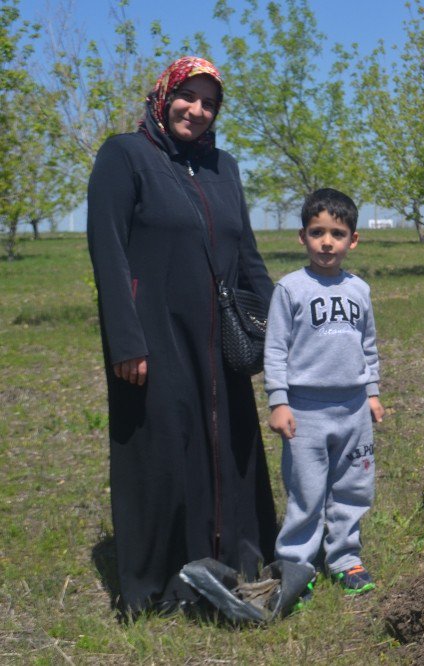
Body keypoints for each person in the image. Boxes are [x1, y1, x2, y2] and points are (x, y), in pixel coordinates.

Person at [87, 56, 278, 616]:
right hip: (154, 337)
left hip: (220, 338)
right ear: (163, 94)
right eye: (187, 96)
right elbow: (108, 249)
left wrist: (279, 326)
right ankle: (159, 585)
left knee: (229, 445)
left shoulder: (224, 167)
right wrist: (125, 340)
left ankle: (238, 559)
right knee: (165, 450)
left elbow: (247, 255)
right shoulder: (124, 156)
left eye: (209, 102)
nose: (196, 109)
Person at [264, 188, 384, 595]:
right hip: (306, 412)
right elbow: (275, 349)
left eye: (337, 233)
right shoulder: (290, 289)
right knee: (307, 490)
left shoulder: (360, 290)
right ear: (302, 236)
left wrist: (371, 392)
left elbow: (367, 346)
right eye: (317, 232)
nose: (327, 242)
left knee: (353, 486)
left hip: (352, 409)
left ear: (353, 239)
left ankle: (346, 557)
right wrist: (279, 401)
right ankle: (296, 565)